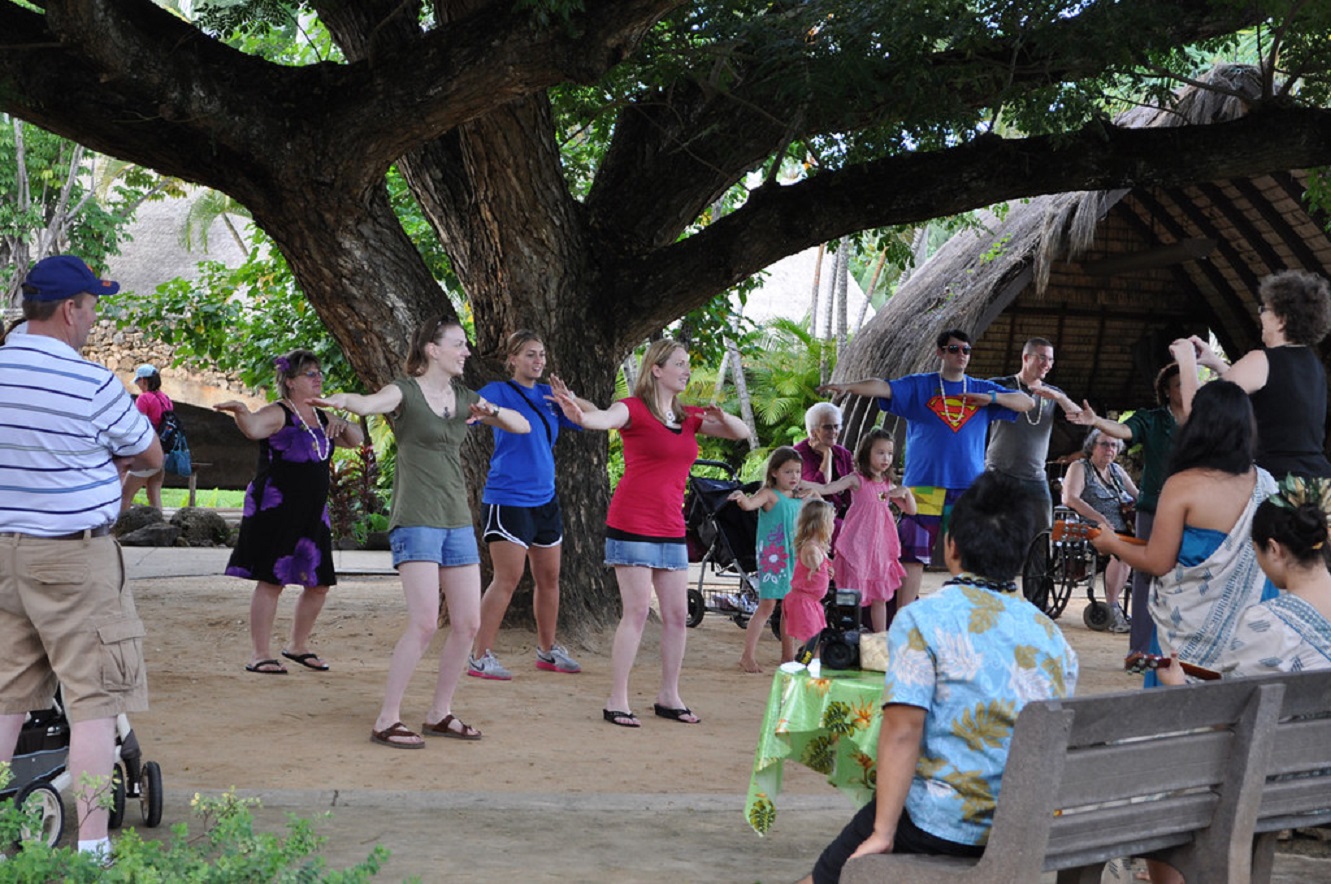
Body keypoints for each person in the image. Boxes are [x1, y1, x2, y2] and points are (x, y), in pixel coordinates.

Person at [803, 471, 1078, 883]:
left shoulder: (922, 619)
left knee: (827, 876)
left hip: (944, 823)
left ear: (950, 547)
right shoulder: (1052, 636)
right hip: (1024, 825)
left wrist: (883, 831)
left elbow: (902, 731)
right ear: (1021, 554)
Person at [0, 255, 162, 859]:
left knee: (7, 697)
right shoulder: (89, 382)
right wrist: (110, 467)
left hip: (4, 558)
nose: (95, 318)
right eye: (93, 306)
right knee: (95, 699)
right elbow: (150, 456)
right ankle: (93, 848)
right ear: (70, 309)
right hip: (73, 558)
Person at [315, 316, 530, 748]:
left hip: (455, 520)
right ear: (432, 349)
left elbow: (522, 426)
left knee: (468, 623)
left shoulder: (466, 397)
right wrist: (342, 400)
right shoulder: (406, 391)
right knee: (425, 622)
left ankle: (439, 712)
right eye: (458, 344)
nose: (466, 351)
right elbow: (370, 403)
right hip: (415, 517)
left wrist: (494, 412)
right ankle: (386, 718)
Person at [551, 338, 749, 727]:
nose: (686, 369)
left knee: (676, 615)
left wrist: (722, 416)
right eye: (679, 363)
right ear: (656, 369)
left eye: (688, 363)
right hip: (632, 523)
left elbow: (740, 433)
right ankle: (617, 699)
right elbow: (601, 420)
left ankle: (668, 695)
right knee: (637, 612)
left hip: (671, 526)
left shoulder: (688, 416)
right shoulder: (633, 409)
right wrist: (578, 413)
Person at [820, 329, 1034, 610]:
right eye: (954, 349)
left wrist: (992, 399)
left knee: (968, 553)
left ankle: (968, 616)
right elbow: (883, 387)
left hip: (967, 487)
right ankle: (904, 618)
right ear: (940, 352)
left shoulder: (981, 389)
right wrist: (849, 387)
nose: (961, 355)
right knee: (913, 554)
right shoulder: (921, 386)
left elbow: (1027, 402)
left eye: (966, 350)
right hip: (922, 486)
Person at [1090, 380, 1277, 676]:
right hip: (1247, 639)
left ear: (1197, 426)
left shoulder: (1182, 486)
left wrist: (1113, 545)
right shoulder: (1267, 484)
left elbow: (1157, 562)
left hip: (1185, 640)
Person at [215, 350, 363, 675]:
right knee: (272, 581)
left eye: (319, 373)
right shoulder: (279, 413)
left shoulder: (323, 418)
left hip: (312, 511)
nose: (318, 378)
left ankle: (298, 645)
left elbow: (358, 440)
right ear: (292, 382)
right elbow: (253, 428)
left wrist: (342, 421)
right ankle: (259, 654)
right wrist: (241, 411)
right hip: (275, 508)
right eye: (310, 374)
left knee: (319, 583)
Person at [467, 330, 585, 680]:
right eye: (531, 354)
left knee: (549, 577)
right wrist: (484, 413)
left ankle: (547, 651)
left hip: (545, 499)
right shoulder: (497, 392)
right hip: (507, 498)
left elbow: (584, 417)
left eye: (542, 355)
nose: (538, 361)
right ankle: (480, 655)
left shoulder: (551, 397)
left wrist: (571, 400)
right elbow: (471, 409)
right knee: (507, 578)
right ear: (513, 358)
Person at [1071, 361, 1185, 655]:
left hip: (1192, 511)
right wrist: (1096, 421)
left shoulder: (1205, 420)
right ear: (1167, 392)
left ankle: (1179, 650)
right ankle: (1142, 651)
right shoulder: (1153, 420)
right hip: (1151, 512)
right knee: (1146, 578)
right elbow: (1123, 429)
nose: (1188, 390)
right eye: (1179, 385)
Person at [1185, 269, 1331, 480]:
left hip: (1275, 484)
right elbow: (1271, 390)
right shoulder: (1312, 364)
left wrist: (1186, 360)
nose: (1260, 314)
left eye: (1265, 309)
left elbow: (1198, 411)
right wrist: (1215, 363)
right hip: (1316, 481)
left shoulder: (1261, 359)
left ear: (1281, 320)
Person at [984, 337, 1081, 537]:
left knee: (1043, 533)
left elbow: (1080, 417)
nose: (1047, 364)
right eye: (1042, 358)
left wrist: (1061, 398)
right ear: (1026, 357)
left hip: (1034, 476)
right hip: (999, 472)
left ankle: (1035, 570)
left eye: (1051, 360)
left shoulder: (1053, 394)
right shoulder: (1002, 385)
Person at [728, 446, 807, 673]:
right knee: (767, 605)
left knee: (789, 607)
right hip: (773, 559)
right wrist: (742, 498)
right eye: (788, 472)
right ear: (774, 472)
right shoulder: (769, 494)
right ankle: (747, 656)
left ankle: (787, 655)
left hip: (794, 557)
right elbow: (750, 504)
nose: (794, 477)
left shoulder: (798, 496)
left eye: (798, 472)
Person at [833, 428, 916, 633]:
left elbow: (911, 510)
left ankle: (880, 640)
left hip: (879, 549)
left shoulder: (887, 485)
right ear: (867, 452)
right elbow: (830, 487)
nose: (886, 458)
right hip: (857, 546)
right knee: (854, 594)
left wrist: (905, 492)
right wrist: (809, 486)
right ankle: (847, 635)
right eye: (880, 452)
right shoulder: (857, 479)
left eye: (889, 453)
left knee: (879, 597)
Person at [1060, 429, 1138, 633]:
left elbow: (1137, 495)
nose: (1109, 449)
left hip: (1124, 528)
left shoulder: (1117, 471)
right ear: (1092, 447)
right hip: (1090, 526)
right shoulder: (1080, 467)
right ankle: (1113, 610)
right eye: (1104, 444)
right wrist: (1100, 519)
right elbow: (1070, 498)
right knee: (1123, 553)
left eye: (1113, 445)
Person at [783, 499, 837, 657]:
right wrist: (816, 565)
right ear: (821, 524)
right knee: (811, 642)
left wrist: (827, 571)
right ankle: (809, 668)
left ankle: (807, 665)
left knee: (814, 640)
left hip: (812, 603)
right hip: (803, 602)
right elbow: (812, 558)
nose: (833, 525)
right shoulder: (811, 547)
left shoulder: (818, 547)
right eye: (831, 522)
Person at [794, 402, 856, 531]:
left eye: (836, 426)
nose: (834, 432)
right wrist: (827, 454)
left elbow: (851, 492)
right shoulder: (798, 454)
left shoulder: (843, 453)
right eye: (828, 427)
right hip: (814, 516)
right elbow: (818, 487)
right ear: (813, 431)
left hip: (841, 513)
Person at [120, 363, 172, 511]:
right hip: (162, 452)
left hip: (147, 452)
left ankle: (120, 530)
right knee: (154, 491)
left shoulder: (144, 399)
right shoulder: (165, 399)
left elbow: (136, 426)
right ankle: (159, 527)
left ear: (143, 380)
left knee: (125, 494)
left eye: (137, 381)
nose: (137, 385)